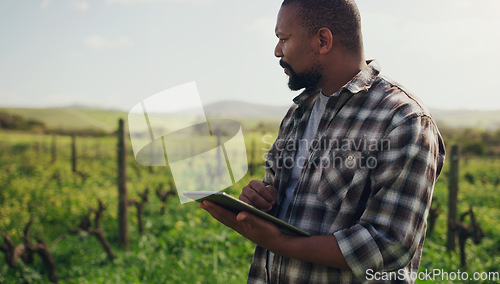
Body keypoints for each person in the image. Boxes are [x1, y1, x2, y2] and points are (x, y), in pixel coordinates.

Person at [200, 0, 445, 282]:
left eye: (283, 39)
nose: (277, 51)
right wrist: (260, 204)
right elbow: (287, 204)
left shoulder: (403, 119)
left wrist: (279, 243)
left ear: (323, 41)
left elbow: (388, 244)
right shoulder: (298, 111)